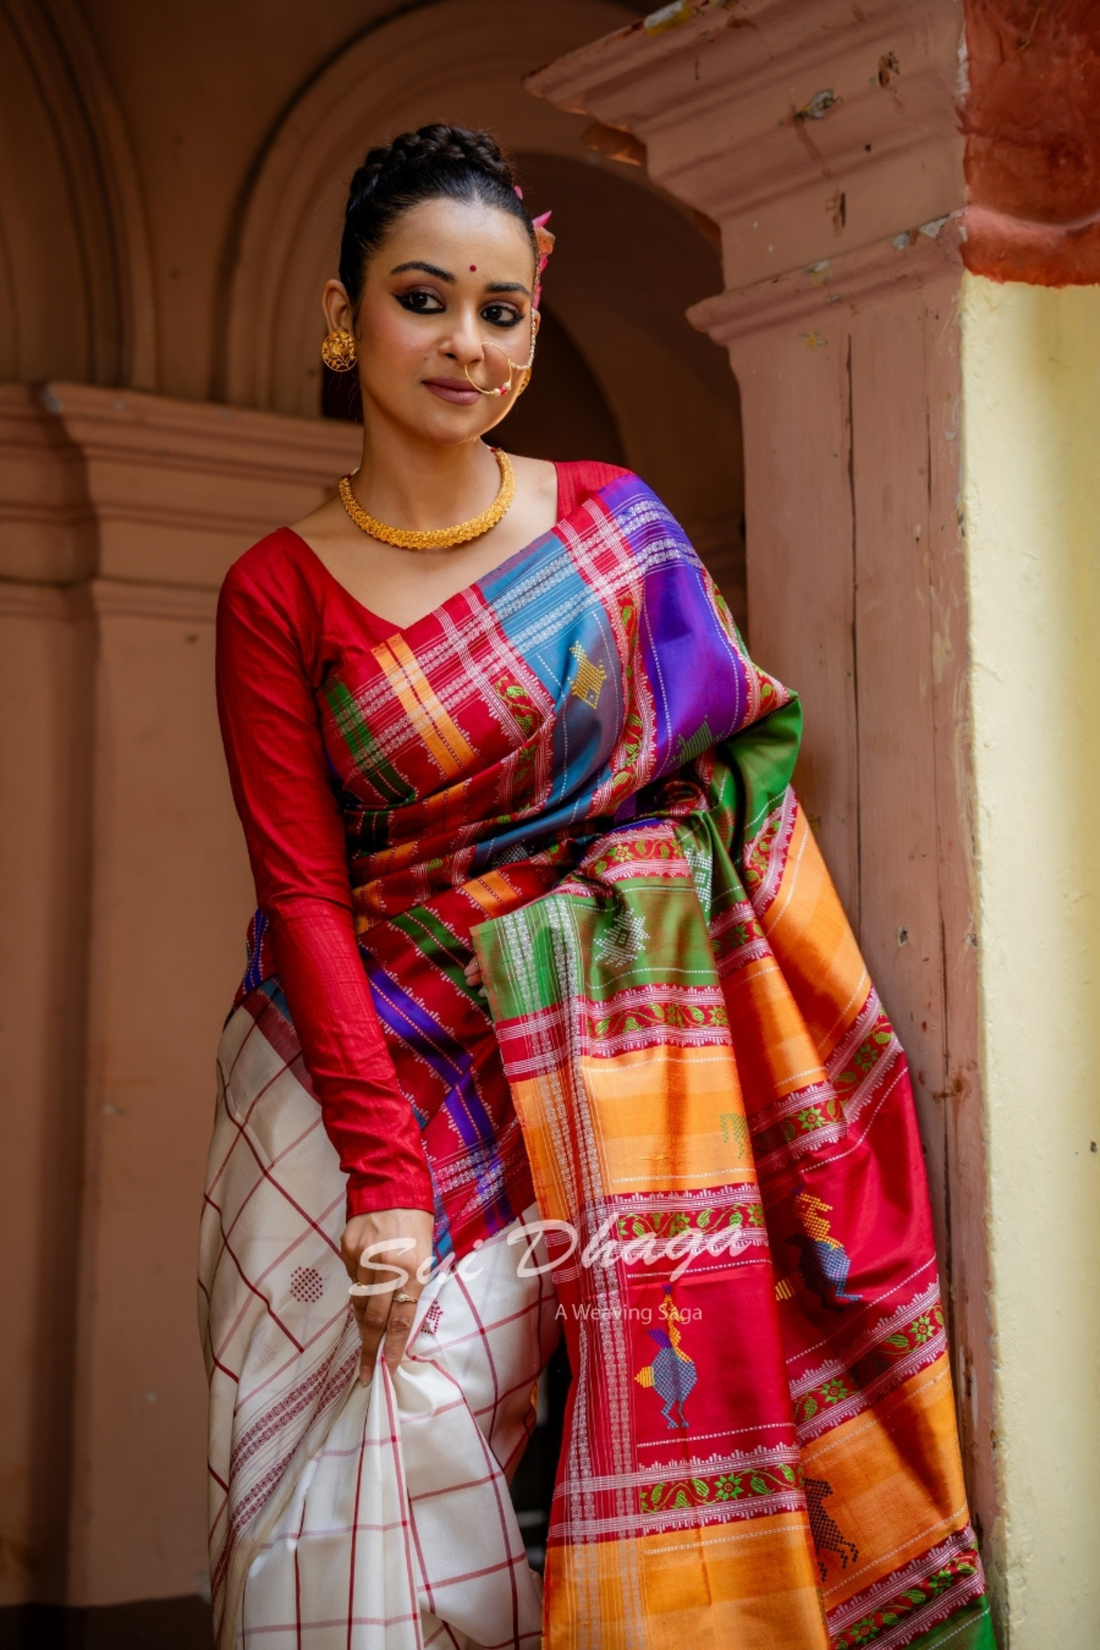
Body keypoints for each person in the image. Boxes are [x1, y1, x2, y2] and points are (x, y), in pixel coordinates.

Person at [199, 125, 994, 1650]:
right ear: (339, 316)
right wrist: (379, 1176)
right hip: (355, 1081)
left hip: (603, 1076)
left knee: (584, 1471)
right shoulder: (276, 590)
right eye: (424, 298)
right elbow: (303, 892)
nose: (466, 343)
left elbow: (728, 771)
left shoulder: (616, 533)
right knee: (343, 1517)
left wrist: (621, 899)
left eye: (502, 312)